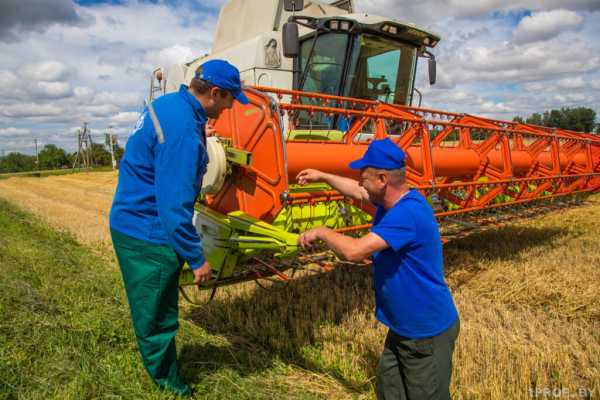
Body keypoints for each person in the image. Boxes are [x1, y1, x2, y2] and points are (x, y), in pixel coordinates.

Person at [109, 59, 249, 397]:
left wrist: (201, 132)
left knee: (155, 304)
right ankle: (168, 384)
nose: (232, 106)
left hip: (134, 217)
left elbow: (173, 140)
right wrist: (196, 258)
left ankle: (161, 368)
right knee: (156, 314)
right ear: (215, 93)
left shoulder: (172, 104)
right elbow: (173, 210)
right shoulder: (183, 132)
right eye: (231, 99)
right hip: (147, 231)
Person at [297, 138, 459, 400]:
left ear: (383, 179)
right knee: (389, 390)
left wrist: (321, 231)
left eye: (364, 176)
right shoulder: (392, 201)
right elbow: (358, 191)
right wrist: (323, 176)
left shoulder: (406, 215)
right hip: (402, 327)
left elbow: (354, 250)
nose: (360, 182)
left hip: (424, 332)